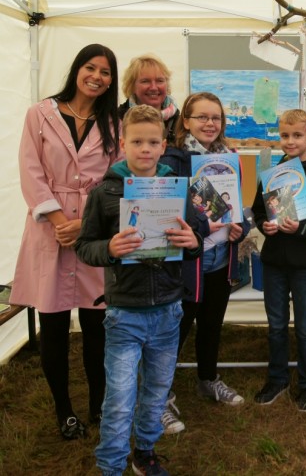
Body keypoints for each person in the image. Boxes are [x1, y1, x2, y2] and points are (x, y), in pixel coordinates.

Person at [75, 104, 202, 476]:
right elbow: (85, 245)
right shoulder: (104, 193)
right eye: (136, 142)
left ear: (164, 146)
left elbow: (196, 237)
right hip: (125, 315)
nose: (145, 149)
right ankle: (111, 466)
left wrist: (192, 240)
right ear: (122, 145)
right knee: (118, 399)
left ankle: (144, 452)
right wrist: (110, 250)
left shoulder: (179, 189)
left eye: (152, 142)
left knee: (157, 393)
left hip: (167, 311)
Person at [10, 43, 121, 439]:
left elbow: (115, 179)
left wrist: (84, 224)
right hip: (48, 231)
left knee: (97, 326)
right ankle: (64, 410)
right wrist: (60, 219)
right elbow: (30, 169)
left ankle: (98, 405)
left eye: (106, 72)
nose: (97, 76)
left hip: (91, 237)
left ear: (112, 80)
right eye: (90, 67)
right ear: (77, 69)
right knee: (53, 327)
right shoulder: (40, 114)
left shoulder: (114, 123)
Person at [160, 92, 250, 429]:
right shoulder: (172, 159)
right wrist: (202, 225)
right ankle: (160, 395)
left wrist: (242, 226)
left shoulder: (231, 157)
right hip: (186, 263)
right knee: (175, 330)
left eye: (216, 117)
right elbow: (166, 210)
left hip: (220, 260)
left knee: (212, 325)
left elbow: (240, 205)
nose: (210, 123)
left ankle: (207, 379)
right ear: (185, 121)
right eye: (202, 117)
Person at [251, 109, 306, 412]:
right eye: (285, 135)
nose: (291, 141)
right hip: (274, 261)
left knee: (305, 327)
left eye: (297, 135)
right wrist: (264, 224)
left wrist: (301, 228)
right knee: (276, 325)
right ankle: (277, 379)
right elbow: (259, 211)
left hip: (305, 265)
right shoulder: (274, 175)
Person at [118, 54, 180, 142]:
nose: (154, 87)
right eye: (145, 81)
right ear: (132, 86)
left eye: (160, 81)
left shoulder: (181, 124)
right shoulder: (117, 122)